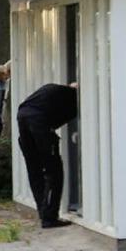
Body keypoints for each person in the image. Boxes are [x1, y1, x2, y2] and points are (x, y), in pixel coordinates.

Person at [17, 82, 78, 229]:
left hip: (22, 118)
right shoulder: (72, 98)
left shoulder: (50, 91)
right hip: (38, 123)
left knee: (34, 170)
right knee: (54, 171)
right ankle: (49, 217)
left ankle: (43, 211)